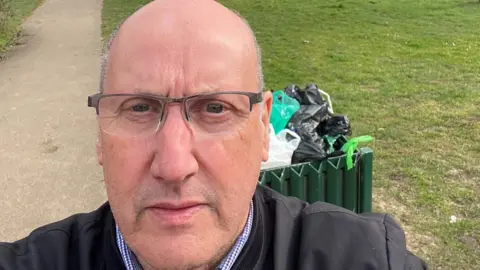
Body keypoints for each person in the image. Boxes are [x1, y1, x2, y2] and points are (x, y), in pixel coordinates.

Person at [0, 0, 427, 269]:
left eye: (215, 108)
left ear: (263, 127)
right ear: (99, 134)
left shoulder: (365, 258)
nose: (173, 165)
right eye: (140, 107)